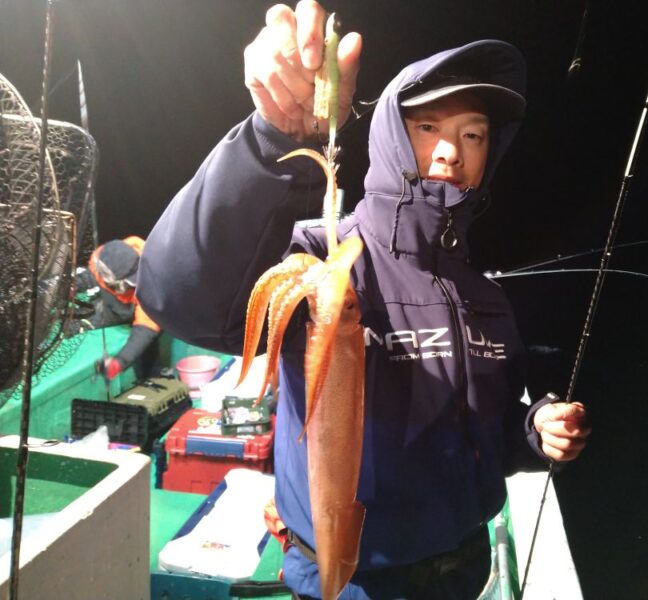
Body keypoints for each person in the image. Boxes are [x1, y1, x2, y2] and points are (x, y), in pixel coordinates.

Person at [138, 2, 590, 598]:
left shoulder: (486, 298)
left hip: (460, 574)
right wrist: (273, 139)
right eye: (426, 128)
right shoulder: (322, 257)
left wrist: (535, 431)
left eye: (473, 134)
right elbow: (181, 295)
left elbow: (492, 436)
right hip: (351, 582)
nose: (451, 151)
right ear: (391, 138)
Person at [76, 236, 161, 381]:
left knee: (149, 340)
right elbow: (90, 276)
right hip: (114, 293)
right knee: (82, 320)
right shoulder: (102, 260)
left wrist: (118, 363)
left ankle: (153, 376)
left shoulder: (151, 278)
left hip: (143, 304)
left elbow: (147, 327)